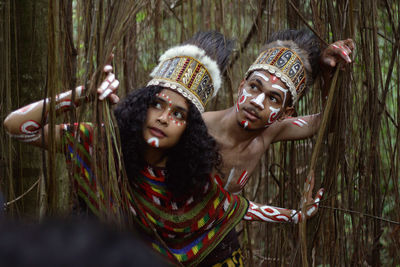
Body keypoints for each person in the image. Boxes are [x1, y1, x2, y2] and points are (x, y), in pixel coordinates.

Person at [4, 31, 323, 266]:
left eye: (178, 114)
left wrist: (295, 216)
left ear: (190, 130)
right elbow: (17, 127)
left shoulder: (191, 179)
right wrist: (82, 93)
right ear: (141, 104)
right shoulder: (101, 143)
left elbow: (235, 207)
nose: (163, 118)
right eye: (156, 104)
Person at [202, 29, 355, 196]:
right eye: (254, 87)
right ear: (241, 86)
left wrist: (327, 74)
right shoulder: (199, 126)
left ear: (285, 113)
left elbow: (327, 123)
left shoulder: (268, 133)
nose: (257, 102)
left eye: (273, 98)